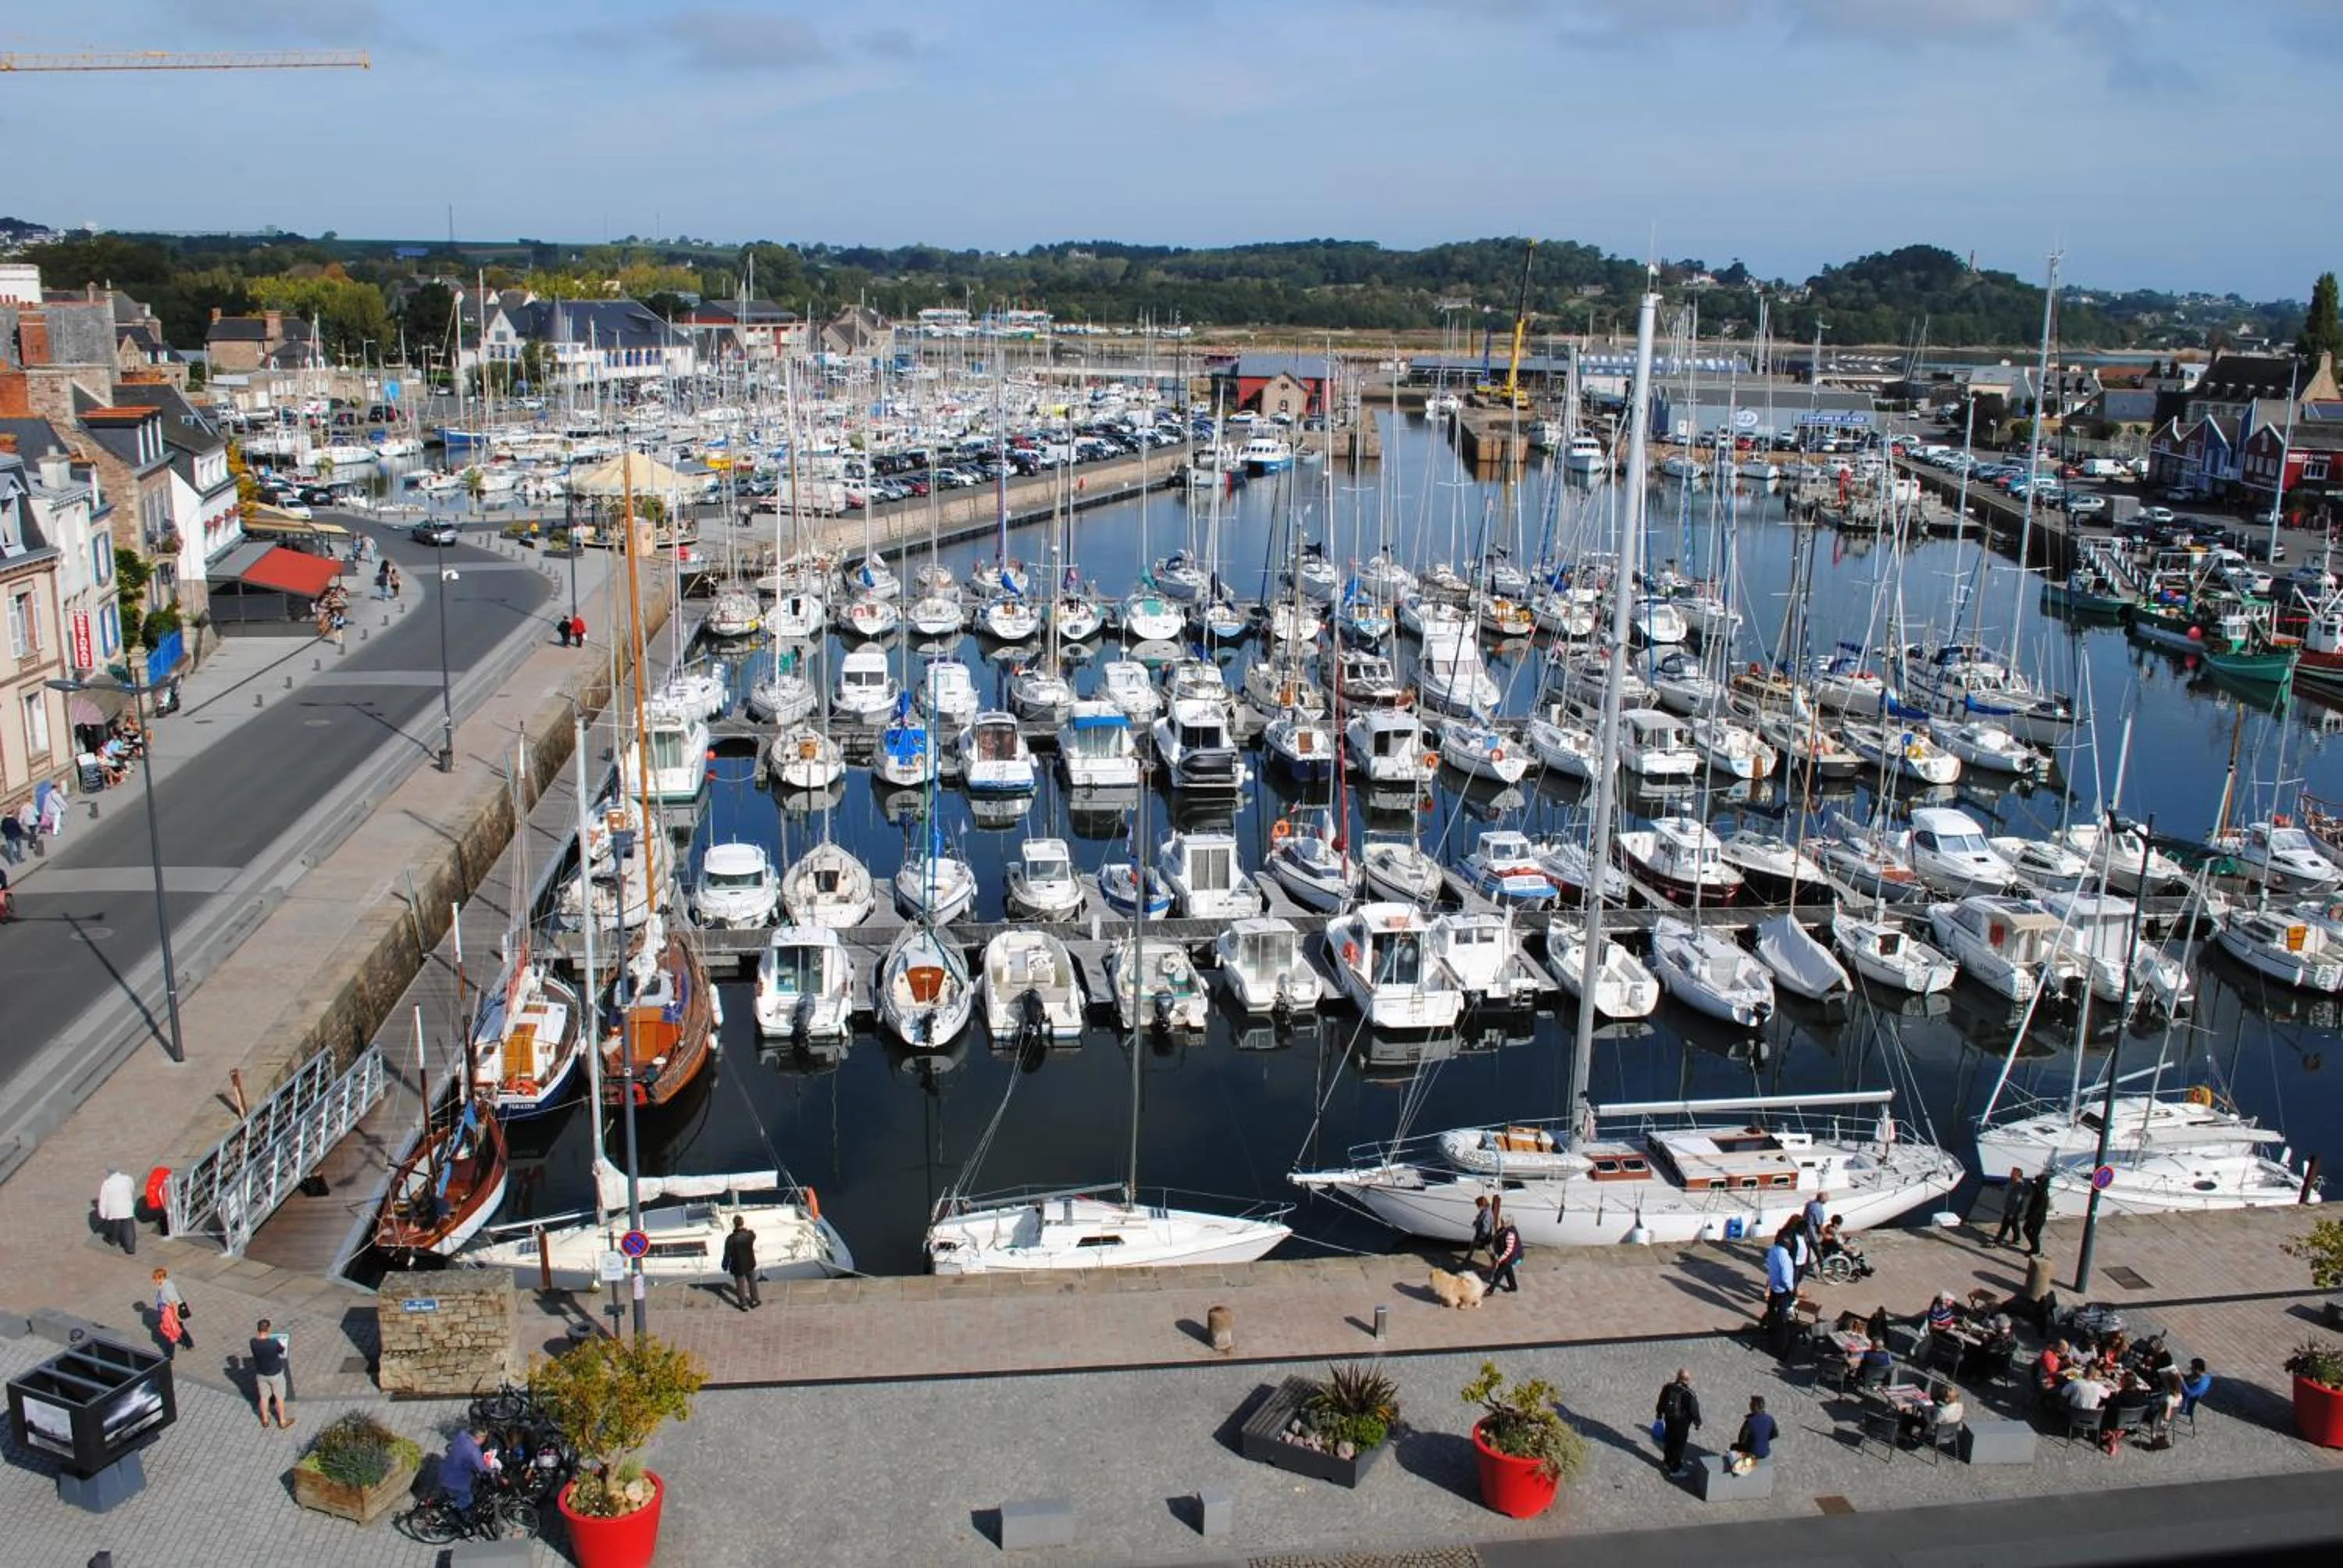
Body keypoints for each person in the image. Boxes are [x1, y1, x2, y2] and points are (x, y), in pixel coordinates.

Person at [1654, 1368, 1702, 1479]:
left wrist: (1659, 1415)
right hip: (1682, 1425)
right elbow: (1694, 1410)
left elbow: (1661, 1402)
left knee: (1669, 1441)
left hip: (1669, 1420)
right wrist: (1697, 1423)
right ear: (1687, 1380)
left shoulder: (1668, 1387)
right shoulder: (1689, 1394)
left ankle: (1667, 1462)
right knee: (1678, 1447)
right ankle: (1675, 1469)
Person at [438, 1427, 495, 1511]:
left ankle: (448, 1495)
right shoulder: (474, 1452)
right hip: (455, 1482)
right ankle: (454, 1510)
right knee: (468, 1499)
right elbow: (482, 1468)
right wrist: (494, 1471)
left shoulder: (462, 1435)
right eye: (484, 1439)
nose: (485, 1441)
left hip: (445, 1470)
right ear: (479, 1438)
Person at [250, 1319, 291, 1428]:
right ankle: (282, 1421)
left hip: (261, 1374)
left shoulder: (253, 1342)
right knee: (279, 1397)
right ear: (268, 1329)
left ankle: (265, 1420)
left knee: (264, 1397)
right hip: (275, 1373)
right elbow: (281, 1350)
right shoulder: (273, 1343)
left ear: (258, 1329)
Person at [1761, 1233, 1797, 1356]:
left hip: (1773, 1287)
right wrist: (1792, 1289)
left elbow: (1769, 1267)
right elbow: (1786, 1277)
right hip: (1782, 1290)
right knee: (1783, 1319)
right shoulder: (1785, 1257)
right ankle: (1781, 1348)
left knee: (1771, 1310)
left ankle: (1770, 1330)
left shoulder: (1772, 1250)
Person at [722, 1214, 760, 1310]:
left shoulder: (731, 1239)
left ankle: (743, 1304)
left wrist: (725, 1265)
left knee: (740, 1285)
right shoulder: (749, 1235)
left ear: (734, 1224)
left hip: (738, 1264)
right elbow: (753, 1236)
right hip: (749, 1262)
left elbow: (727, 1254)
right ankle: (755, 1300)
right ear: (743, 1223)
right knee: (752, 1281)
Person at [97, 1165, 137, 1254]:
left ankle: (113, 1240)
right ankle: (130, 1248)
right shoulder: (128, 1179)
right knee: (129, 1227)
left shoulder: (107, 1183)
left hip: (114, 1209)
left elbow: (103, 1200)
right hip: (127, 1207)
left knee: (115, 1225)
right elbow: (132, 1188)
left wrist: (103, 1214)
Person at [152, 1267, 189, 1359]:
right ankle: (189, 1344)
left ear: (161, 1278)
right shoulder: (164, 1284)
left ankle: (169, 1356)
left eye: (155, 1278)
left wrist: (176, 1315)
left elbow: (174, 1302)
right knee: (180, 1328)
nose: (153, 1281)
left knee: (170, 1334)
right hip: (168, 1312)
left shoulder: (166, 1288)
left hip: (171, 1313)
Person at [1731, 1394, 1776, 1464]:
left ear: (1754, 1407)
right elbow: (1774, 1435)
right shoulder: (1770, 1419)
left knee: (1734, 1446)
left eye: (1751, 1404)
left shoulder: (1750, 1421)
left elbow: (1741, 1440)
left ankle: (1738, 1468)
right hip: (1765, 1451)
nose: (1750, 1405)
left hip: (1752, 1452)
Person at [1992, 1167, 2027, 1246]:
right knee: (2014, 1223)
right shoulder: (2014, 1183)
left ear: (2017, 1175)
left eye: (2012, 1173)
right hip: (2013, 1209)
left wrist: (2011, 1212)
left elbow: (2017, 1201)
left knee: (2005, 1225)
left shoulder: (2019, 1187)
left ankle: (1997, 1242)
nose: (2010, 1174)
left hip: (2012, 1210)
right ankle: (2017, 1239)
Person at [1487, 1216, 1523, 1295]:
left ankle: (1490, 1290)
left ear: (1508, 1223)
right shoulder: (1504, 1229)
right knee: (1508, 1271)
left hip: (1509, 1257)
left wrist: (1500, 1259)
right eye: (1502, 1221)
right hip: (1506, 1256)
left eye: (1503, 1222)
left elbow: (1509, 1250)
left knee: (1498, 1274)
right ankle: (1513, 1287)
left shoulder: (1510, 1234)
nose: (1501, 1223)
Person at [2021, 1170, 2052, 1256]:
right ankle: (2034, 1248)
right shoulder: (2041, 1190)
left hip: (2037, 1218)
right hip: (2036, 1217)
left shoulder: (2042, 1194)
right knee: (2028, 1231)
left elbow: (2038, 1209)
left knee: (2033, 1233)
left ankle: (2035, 1250)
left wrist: (2030, 1217)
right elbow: (2034, 1186)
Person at [1469, 1195, 1496, 1267]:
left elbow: (1486, 1229)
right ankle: (1467, 1260)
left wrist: (1480, 1237)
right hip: (1482, 1234)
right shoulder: (1485, 1211)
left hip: (1485, 1236)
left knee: (1489, 1250)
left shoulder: (1487, 1214)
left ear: (1481, 1205)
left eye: (1478, 1205)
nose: (1477, 1207)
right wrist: (1476, 1222)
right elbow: (1480, 1218)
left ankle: (1495, 1264)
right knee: (1473, 1246)